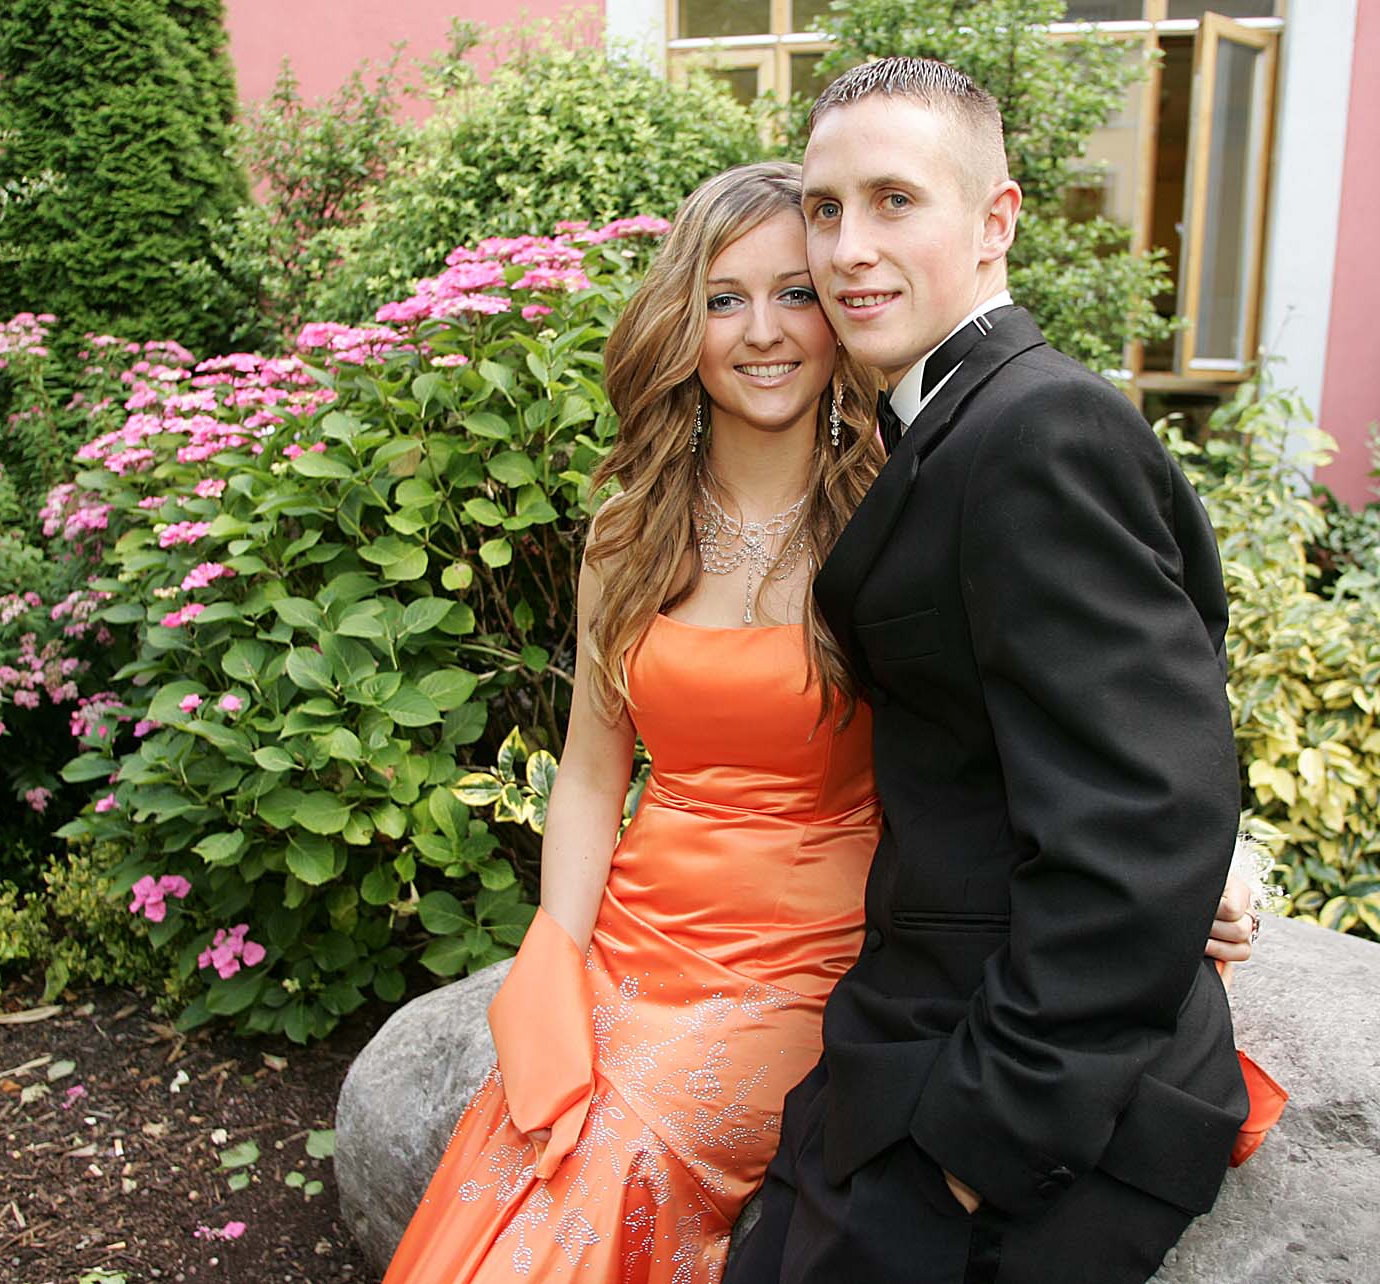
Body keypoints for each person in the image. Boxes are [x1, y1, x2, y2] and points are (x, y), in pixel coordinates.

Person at [380, 162, 1259, 1284]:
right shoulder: (626, 535)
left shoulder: (904, 508)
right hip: (638, 940)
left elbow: (1059, 725)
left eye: (795, 293)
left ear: (841, 313)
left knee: (619, 1156)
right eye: (724, 298)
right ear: (682, 323)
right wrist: (555, 949)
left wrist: (1204, 860)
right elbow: (594, 775)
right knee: (515, 1151)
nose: (764, 332)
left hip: (814, 954)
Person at [722, 57, 1255, 1284]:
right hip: (909, 1035)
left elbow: (1143, 816)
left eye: (894, 201)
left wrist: (975, 1149)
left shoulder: (1038, 429)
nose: (847, 249)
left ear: (997, 219)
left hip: (1032, 1106)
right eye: (825, 207)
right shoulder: (946, 418)